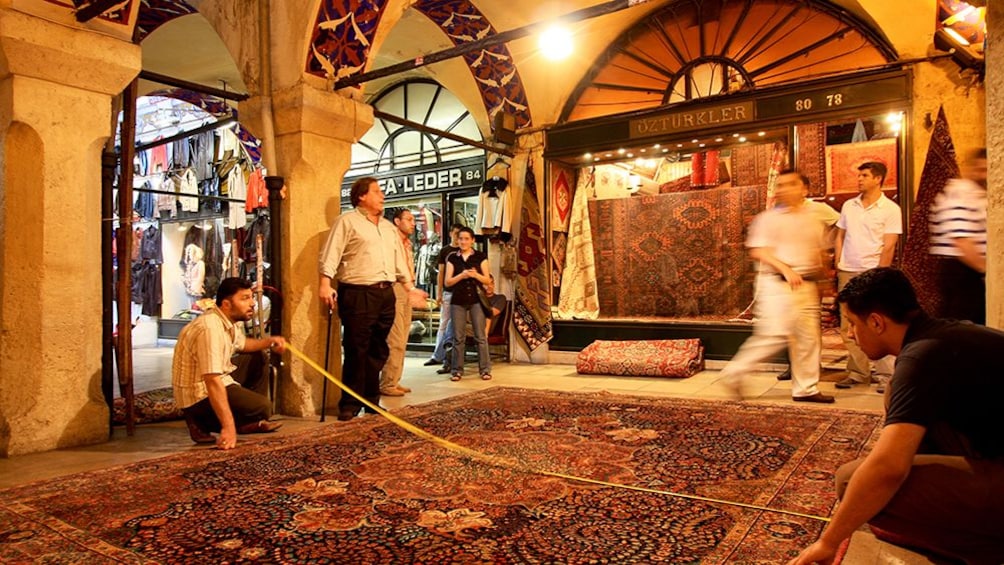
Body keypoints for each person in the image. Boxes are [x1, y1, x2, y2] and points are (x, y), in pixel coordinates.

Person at [788, 268, 1004, 565]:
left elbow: (889, 468)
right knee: (894, 396)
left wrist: (829, 541)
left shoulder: (921, 358)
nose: (851, 334)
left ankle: (984, 550)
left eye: (852, 324)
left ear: (876, 322)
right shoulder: (944, 333)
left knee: (851, 483)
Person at [720, 170, 834, 403]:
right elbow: (759, 251)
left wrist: (824, 279)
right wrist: (786, 269)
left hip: (807, 285)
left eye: (790, 184)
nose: (783, 189)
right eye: (780, 185)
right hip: (777, 285)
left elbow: (818, 251)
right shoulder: (768, 218)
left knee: (808, 339)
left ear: (804, 189)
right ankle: (734, 374)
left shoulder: (814, 216)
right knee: (773, 334)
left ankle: (806, 389)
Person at [319, 177, 427, 421]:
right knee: (357, 348)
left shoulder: (389, 228)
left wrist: (410, 288)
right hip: (358, 292)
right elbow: (331, 253)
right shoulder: (347, 221)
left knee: (379, 349)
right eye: (377, 191)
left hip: (385, 293)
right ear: (361, 197)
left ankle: (371, 400)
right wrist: (325, 283)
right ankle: (349, 403)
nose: (382, 195)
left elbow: (398, 261)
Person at [172, 277, 285, 450]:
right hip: (199, 394)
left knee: (258, 356)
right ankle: (200, 421)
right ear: (226, 304)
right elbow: (212, 380)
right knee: (263, 407)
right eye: (244, 298)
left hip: (218, 379)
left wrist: (270, 341)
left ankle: (249, 419)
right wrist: (228, 427)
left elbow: (244, 344)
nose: (252, 303)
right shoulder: (210, 328)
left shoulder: (228, 320)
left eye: (251, 297)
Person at [834, 161, 902, 392]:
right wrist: (838, 261)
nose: (859, 179)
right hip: (848, 270)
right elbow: (840, 235)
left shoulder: (891, 209)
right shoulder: (848, 206)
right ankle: (858, 372)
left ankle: (886, 376)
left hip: (872, 270)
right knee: (848, 325)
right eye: (859, 175)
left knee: (877, 323)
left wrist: (880, 274)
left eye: (864, 175)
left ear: (877, 179)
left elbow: (889, 244)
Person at [929, 147, 987, 324]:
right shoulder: (961, 194)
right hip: (963, 273)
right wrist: (988, 272)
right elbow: (962, 241)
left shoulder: (978, 194)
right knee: (965, 330)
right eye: (982, 169)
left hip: (969, 273)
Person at [444, 226, 492, 381]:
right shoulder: (452, 257)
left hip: (476, 300)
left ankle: (485, 369)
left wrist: (475, 275)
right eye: (460, 239)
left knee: (480, 336)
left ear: (472, 241)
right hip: (457, 300)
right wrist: (462, 276)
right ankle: (457, 370)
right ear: (457, 240)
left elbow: (487, 279)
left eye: (466, 239)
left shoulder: (480, 257)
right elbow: (448, 282)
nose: (463, 242)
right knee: (458, 337)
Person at [380, 208, 417, 397]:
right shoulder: (391, 240)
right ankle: (387, 383)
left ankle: (395, 379)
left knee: (403, 337)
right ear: (397, 221)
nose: (413, 223)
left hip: (407, 289)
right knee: (394, 338)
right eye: (409, 219)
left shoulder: (408, 243)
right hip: (395, 287)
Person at [424, 223, 462, 374]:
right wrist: (439, 293)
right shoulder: (445, 251)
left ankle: (450, 358)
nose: (458, 237)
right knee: (444, 324)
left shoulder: (463, 251)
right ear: (451, 233)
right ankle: (438, 355)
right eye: (456, 233)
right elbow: (441, 273)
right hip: (448, 291)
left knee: (454, 326)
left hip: (461, 293)